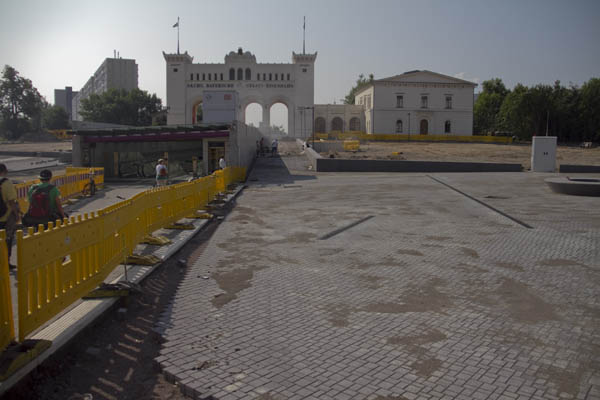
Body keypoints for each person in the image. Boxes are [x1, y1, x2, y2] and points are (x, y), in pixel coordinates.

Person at [0, 164, 21, 269]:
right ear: (5, 170)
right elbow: (12, 201)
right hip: (6, 217)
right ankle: (6, 262)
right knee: (7, 240)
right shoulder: (7, 183)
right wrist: (17, 215)